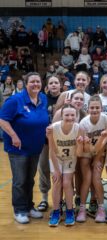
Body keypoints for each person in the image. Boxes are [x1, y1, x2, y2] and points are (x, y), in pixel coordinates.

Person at [0, 72, 49, 224]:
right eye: (32, 82)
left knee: (30, 179)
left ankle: (29, 207)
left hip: (35, 147)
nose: (36, 84)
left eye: (38, 82)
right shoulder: (15, 100)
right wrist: (14, 136)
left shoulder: (43, 98)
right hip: (18, 148)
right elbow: (2, 120)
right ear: (25, 84)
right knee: (20, 180)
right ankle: (19, 210)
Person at [47, 104, 85, 227]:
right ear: (61, 116)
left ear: (76, 116)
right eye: (67, 115)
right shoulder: (53, 128)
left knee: (67, 183)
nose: (69, 117)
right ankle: (56, 211)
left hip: (70, 158)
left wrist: (80, 144)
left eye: (72, 115)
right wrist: (57, 171)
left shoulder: (79, 128)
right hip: (56, 158)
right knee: (57, 182)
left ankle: (70, 211)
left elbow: (79, 154)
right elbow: (51, 151)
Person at [77, 95, 107, 223]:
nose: (95, 110)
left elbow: (105, 143)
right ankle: (82, 208)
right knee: (87, 179)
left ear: (101, 108)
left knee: (96, 178)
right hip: (87, 152)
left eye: (97, 107)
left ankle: (101, 208)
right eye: (92, 107)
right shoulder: (83, 123)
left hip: (100, 152)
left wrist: (97, 159)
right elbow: (86, 149)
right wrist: (90, 152)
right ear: (88, 108)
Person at [37, 76, 61, 212]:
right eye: (51, 83)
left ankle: (61, 200)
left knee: (60, 170)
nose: (53, 85)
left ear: (60, 85)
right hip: (44, 140)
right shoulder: (42, 99)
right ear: (47, 86)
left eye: (56, 83)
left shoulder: (65, 98)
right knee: (44, 168)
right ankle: (44, 199)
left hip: (60, 141)